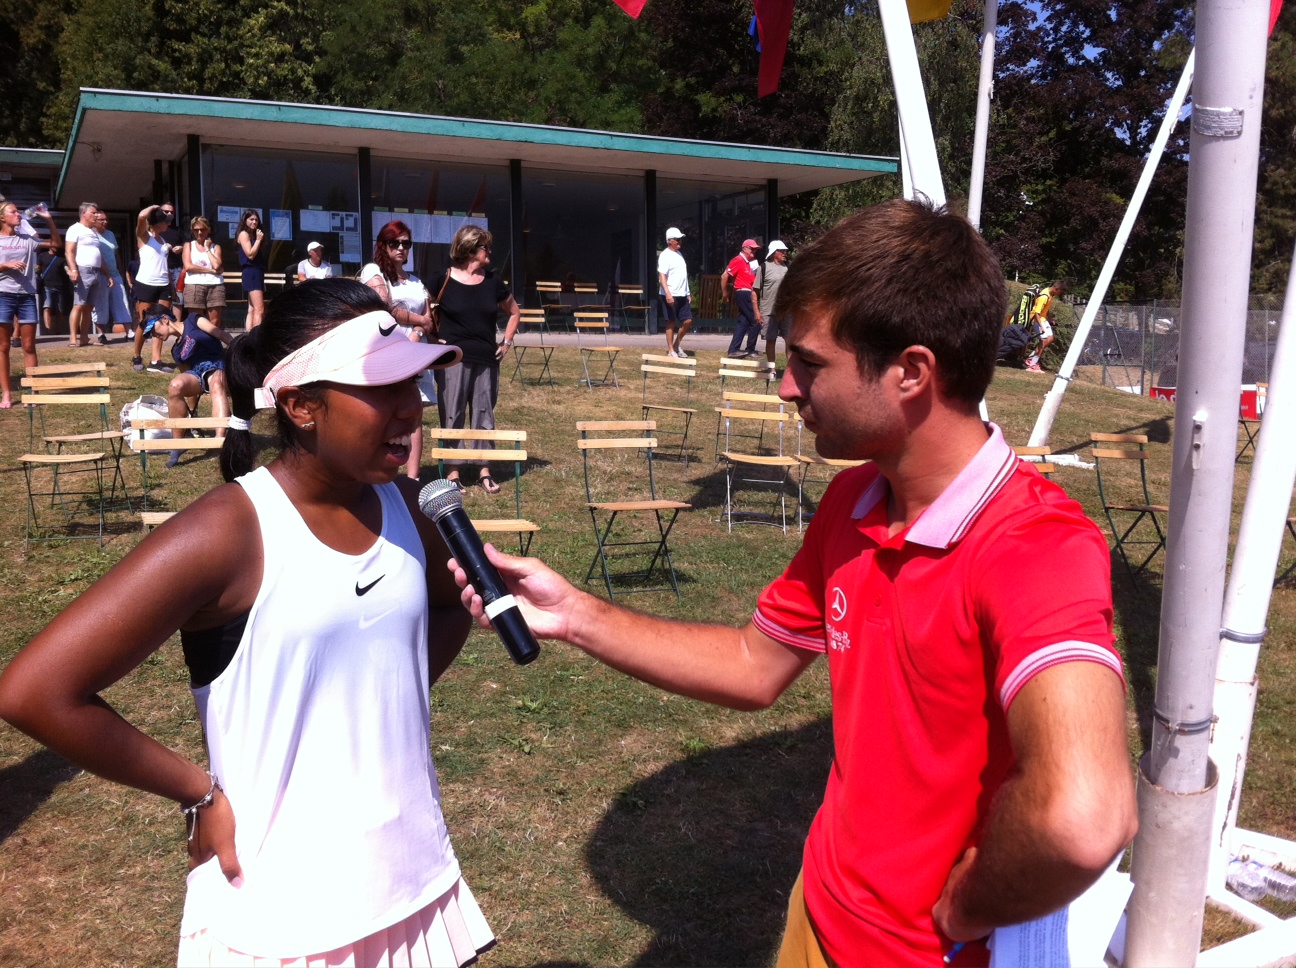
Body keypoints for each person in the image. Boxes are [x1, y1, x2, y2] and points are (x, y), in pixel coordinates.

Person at [450, 199, 1137, 968]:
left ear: (911, 373)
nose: (785, 387)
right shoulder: (854, 499)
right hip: (820, 912)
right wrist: (574, 612)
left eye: (809, 364)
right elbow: (755, 664)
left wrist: (963, 909)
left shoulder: (1034, 544)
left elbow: (1082, 817)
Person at [0, 279, 493, 968]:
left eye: (413, 383)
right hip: (280, 907)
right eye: (383, 390)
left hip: (411, 873)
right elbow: (36, 690)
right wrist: (196, 792)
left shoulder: (412, 506)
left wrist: (381, 700)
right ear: (300, 405)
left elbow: (447, 604)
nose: (412, 408)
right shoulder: (228, 531)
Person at [430, 223, 520, 495]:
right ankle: (454, 472)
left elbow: (514, 312)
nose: (490, 251)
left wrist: (506, 342)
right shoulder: (441, 279)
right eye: (485, 247)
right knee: (452, 412)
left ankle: (484, 471)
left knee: (484, 414)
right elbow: (426, 315)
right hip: (452, 360)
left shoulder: (493, 280)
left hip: (486, 358)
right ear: (469, 249)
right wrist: (434, 340)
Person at [361, 221, 437, 480]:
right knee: (383, 412)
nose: (402, 248)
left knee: (414, 417)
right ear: (383, 244)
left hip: (417, 354)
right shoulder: (374, 272)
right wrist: (419, 322)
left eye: (406, 243)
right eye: (396, 243)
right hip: (388, 351)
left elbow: (429, 315)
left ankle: (412, 479)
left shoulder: (415, 280)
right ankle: (379, 471)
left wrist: (418, 332)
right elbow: (385, 308)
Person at [141, 303, 234, 468]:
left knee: (216, 382)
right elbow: (187, 377)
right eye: (150, 334)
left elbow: (219, 333)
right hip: (197, 373)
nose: (154, 335)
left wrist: (238, 351)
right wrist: (192, 412)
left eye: (154, 329)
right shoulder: (176, 351)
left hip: (218, 364)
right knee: (175, 385)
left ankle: (220, 440)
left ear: (164, 319)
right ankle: (177, 444)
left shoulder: (193, 320)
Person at [0, 200, 56, 406]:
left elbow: (56, 245)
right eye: (13, 212)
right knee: (3, 346)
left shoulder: (27, 239)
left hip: (26, 295)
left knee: (29, 345)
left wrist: (49, 220)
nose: (18, 214)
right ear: (2, 217)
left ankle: (33, 392)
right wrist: (5, 265)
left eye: (18, 211)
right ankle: (6, 394)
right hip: (3, 295)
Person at [132, 205, 176, 373]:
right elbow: (141, 217)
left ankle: (156, 361)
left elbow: (163, 265)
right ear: (157, 223)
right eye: (166, 221)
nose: (168, 224)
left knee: (161, 321)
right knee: (145, 323)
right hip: (146, 284)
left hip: (163, 284)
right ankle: (137, 355)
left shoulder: (163, 240)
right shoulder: (144, 237)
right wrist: (154, 207)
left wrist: (171, 287)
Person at [64, 201, 110, 348]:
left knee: (89, 307)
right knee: (79, 305)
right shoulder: (75, 229)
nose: (96, 215)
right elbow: (69, 251)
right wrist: (74, 270)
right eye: (93, 213)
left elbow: (100, 256)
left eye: (97, 213)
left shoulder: (93, 232)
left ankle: (84, 337)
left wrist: (108, 275)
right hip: (83, 270)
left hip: (96, 271)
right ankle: (73, 337)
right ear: (84, 214)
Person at [92, 209, 134, 342]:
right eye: (102, 220)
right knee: (101, 304)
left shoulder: (110, 234)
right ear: (95, 220)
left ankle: (129, 331)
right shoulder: (91, 235)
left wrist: (120, 272)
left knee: (121, 302)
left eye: (106, 219)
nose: (105, 222)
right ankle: (101, 334)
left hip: (115, 274)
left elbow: (116, 254)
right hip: (100, 275)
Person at [182, 216, 226, 331]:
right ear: (192, 231)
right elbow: (188, 266)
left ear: (208, 230)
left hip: (215, 285)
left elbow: (217, 265)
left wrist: (207, 249)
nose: (200, 232)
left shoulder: (216, 247)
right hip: (194, 285)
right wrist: (211, 271)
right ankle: (197, 346)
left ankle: (211, 346)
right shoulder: (189, 246)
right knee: (196, 320)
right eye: (196, 230)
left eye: (203, 229)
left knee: (215, 322)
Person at [721, 238, 762, 358]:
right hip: (743, 293)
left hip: (748, 293)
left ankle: (733, 350)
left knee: (743, 322)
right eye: (752, 249)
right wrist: (725, 294)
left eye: (755, 249)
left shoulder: (752, 262)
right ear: (744, 248)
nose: (754, 251)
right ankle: (750, 350)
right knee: (756, 320)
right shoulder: (738, 260)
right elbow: (724, 276)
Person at [656, 227, 692, 359]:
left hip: (682, 294)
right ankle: (671, 350)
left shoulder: (679, 254)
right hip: (670, 294)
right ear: (670, 241)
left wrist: (688, 292)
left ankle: (676, 345)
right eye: (677, 239)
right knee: (671, 321)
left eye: (680, 239)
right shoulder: (665, 255)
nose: (679, 242)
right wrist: (668, 294)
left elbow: (683, 276)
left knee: (688, 321)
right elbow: (662, 276)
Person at [759, 239, 790, 371]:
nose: (785, 253)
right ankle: (772, 369)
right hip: (768, 310)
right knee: (770, 340)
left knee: (789, 339)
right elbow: (755, 291)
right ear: (774, 253)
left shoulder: (788, 267)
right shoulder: (764, 267)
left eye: (785, 251)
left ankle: (790, 370)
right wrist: (756, 311)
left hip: (786, 310)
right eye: (782, 251)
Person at [1023, 281, 1065, 372]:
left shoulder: (1050, 294)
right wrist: (1041, 326)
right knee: (1044, 341)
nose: (1059, 294)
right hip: (1037, 321)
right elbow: (1037, 313)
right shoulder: (1044, 297)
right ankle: (1032, 365)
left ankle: (1030, 358)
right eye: (1060, 292)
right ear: (1056, 289)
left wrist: (1050, 319)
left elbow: (1046, 308)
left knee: (1050, 339)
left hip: (1043, 319)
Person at [236, 210, 268, 330]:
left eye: (256, 220)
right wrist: (259, 240)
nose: (254, 222)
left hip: (257, 271)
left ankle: (249, 336)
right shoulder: (244, 234)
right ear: (245, 220)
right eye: (251, 219)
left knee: (252, 308)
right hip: (251, 271)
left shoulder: (253, 235)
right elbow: (250, 254)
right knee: (260, 309)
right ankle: (256, 337)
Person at [158, 202, 186, 306]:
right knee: (161, 298)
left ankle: (176, 321)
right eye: (166, 211)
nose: (169, 213)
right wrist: (164, 246)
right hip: (160, 269)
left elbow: (188, 244)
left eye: (171, 212)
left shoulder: (177, 229)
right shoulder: (155, 230)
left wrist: (182, 248)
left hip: (176, 268)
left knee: (178, 299)